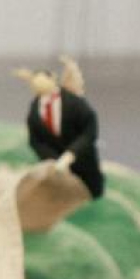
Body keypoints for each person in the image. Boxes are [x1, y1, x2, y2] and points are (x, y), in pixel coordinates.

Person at [16, 57, 104, 199]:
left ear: (52, 79)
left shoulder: (74, 102)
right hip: (55, 170)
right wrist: (53, 160)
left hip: (83, 163)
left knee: (90, 193)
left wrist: (71, 154)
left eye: (43, 79)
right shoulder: (35, 109)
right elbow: (35, 140)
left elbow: (89, 130)